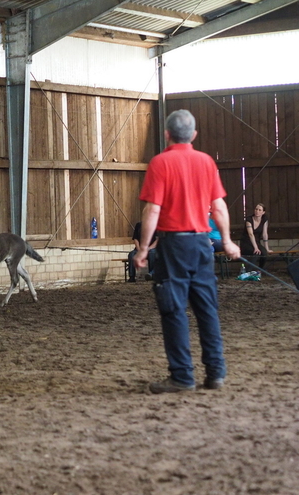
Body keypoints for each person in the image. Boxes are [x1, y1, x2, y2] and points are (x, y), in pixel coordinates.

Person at [133, 109, 241, 394]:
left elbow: (153, 209)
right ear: (193, 135)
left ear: (167, 135)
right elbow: (218, 207)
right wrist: (228, 241)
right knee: (207, 309)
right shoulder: (206, 162)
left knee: (173, 310)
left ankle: (182, 376)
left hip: (173, 246)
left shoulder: (160, 163)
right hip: (202, 245)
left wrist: (143, 248)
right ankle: (216, 373)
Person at [239, 203, 273, 269]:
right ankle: (248, 271)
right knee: (256, 253)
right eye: (256, 209)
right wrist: (256, 248)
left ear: (263, 212)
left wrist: (267, 248)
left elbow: (265, 234)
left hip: (256, 242)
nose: (257, 211)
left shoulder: (264, 219)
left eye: (260, 210)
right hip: (246, 243)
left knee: (264, 253)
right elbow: (250, 234)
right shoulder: (249, 220)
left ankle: (260, 270)